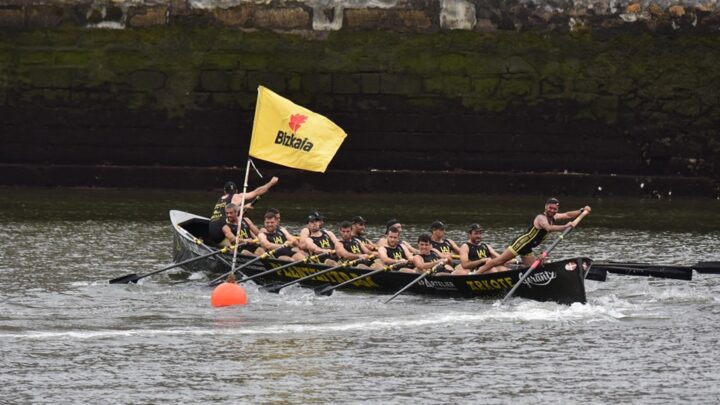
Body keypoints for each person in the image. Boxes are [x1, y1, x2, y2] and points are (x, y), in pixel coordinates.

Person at [475, 198, 591, 274]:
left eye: (555, 209)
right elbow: (549, 228)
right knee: (499, 261)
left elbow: (567, 214)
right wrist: (565, 227)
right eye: (550, 208)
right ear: (545, 207)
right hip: (521, 243)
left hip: (528, 248)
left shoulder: (554, 217)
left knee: (533, 270)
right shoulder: (541, 218)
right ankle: (476, 274)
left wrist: (581, 211)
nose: (552, 210)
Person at [208, 177, 279, 244]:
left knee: (242, 222)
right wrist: (271, 183)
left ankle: (256, 239)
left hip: (212, 232)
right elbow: (257, 192)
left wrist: (243, 208)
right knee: (245, 222)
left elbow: (230, 210)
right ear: (236, 191)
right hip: (222, 235)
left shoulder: (220, 199)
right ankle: (263, 240)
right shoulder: (237, 196)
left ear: (224, 191)